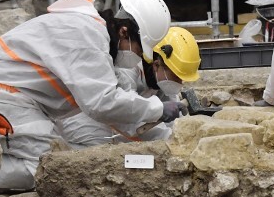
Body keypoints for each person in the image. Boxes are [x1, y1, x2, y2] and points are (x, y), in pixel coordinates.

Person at [0, 0, 183, 191]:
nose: (137, 57)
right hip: (2, 93)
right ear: (124, 32)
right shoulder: (87, 36)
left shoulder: (93, 34)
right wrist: (157, 109)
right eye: (138, 49)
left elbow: (113, 86)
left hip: (9, 92)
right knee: (45, 167)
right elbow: (102, 102)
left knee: (52, 159)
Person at [58, 26, 201, 148]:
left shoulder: (159, 78)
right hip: (85, 125)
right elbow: (128, 117)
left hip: (116, 125)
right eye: (176, 76)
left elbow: (169, 117)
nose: (180, 83)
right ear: (156, 64)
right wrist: (169, 136)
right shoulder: (127, 72)